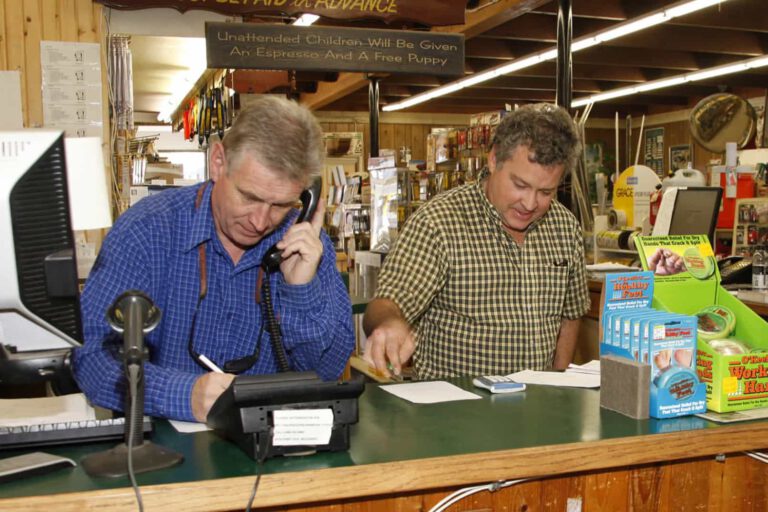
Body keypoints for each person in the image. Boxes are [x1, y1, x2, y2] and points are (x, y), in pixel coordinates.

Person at [73, 96, 354, 422]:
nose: (260, 221)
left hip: (275, 448)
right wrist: (183, 395)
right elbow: (90, 356)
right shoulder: (146, 230)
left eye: (280, 205)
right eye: (249, 197)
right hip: (164, 450)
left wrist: (301, 289)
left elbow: (328, 372)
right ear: (218, 162)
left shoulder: (305, 244)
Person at [363, 103, 590, 380]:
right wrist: (389, 324)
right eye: (519, 185)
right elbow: (387, 303)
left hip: (536, 410)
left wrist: (557, 382)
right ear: (494, 159)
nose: (530, 203)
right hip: (454, 411)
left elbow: (571, 312)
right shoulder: (439, 223)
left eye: (546, 191)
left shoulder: (565, 227)